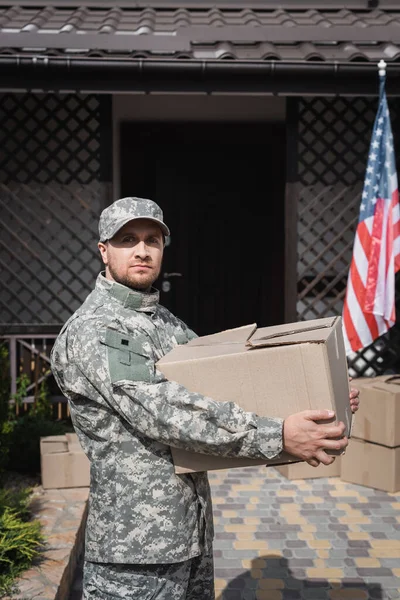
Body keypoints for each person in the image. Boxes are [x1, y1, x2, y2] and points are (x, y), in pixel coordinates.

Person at [50, 197, 360, 600]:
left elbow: (224, 387)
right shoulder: (101, 328)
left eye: (152, 240)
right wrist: (277, 435)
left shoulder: (162, 322)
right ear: (104, 251)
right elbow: (163, 411)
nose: (142, 250)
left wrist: (314, 400)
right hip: (135, 552)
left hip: (187, 533)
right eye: (127, 240)